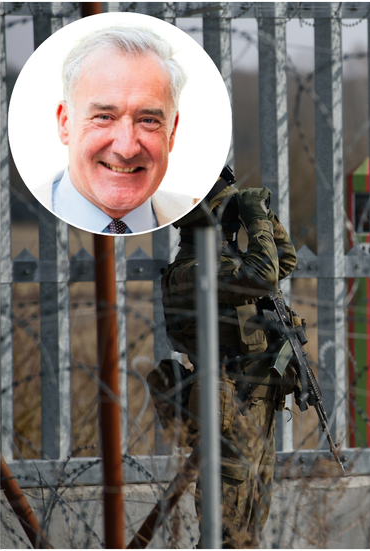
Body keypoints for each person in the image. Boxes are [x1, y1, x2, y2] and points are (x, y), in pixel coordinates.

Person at [160, 166, 299, 547]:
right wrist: (254, 219)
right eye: (228, 208)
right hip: (229, 409)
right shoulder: (195, 270)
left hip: (253, 404)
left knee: (251, 528)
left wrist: (265, 218)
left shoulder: (225, 262)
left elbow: (284, 261)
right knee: (227, 533)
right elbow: (266, 275)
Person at [36, 26, 195, 234]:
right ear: (65, 122)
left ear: (172, 131)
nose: (127, 148)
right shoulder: (9, 221)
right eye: (104, 117)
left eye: (148, 120)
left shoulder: (209, 222)